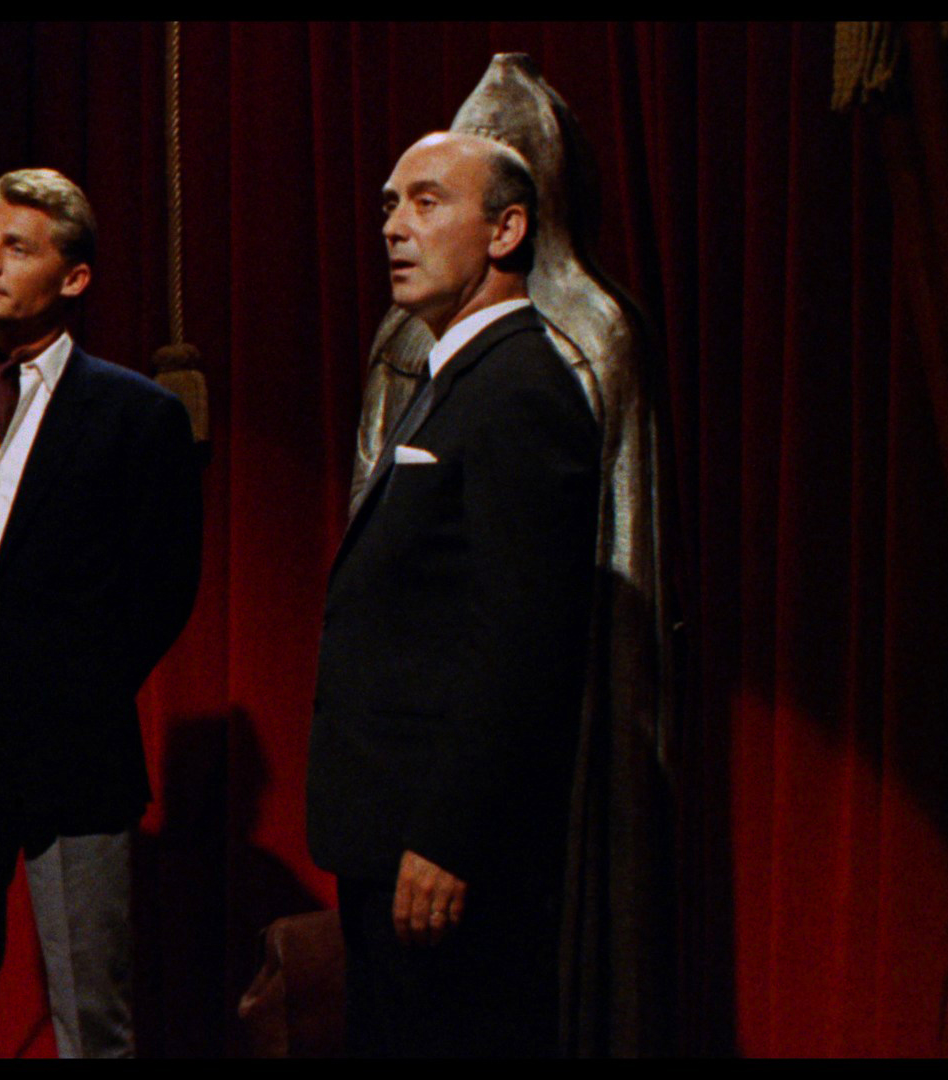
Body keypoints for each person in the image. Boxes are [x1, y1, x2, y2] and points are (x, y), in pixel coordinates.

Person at [0, 167, 202, 1058]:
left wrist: (78, 685)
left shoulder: (141, 416)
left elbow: (166, 586)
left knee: (94, 1020)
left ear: (75, 277)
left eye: (16, 247)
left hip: (78, 750)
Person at [306, 131, 601, 1057]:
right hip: (391, 836)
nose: (395, 227)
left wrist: (450, 838)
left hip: (438, 850)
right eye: (390, 205)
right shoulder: (454, 378)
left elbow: (524, 642)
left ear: (506, 230)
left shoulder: (519, 388)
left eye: (427, 202)